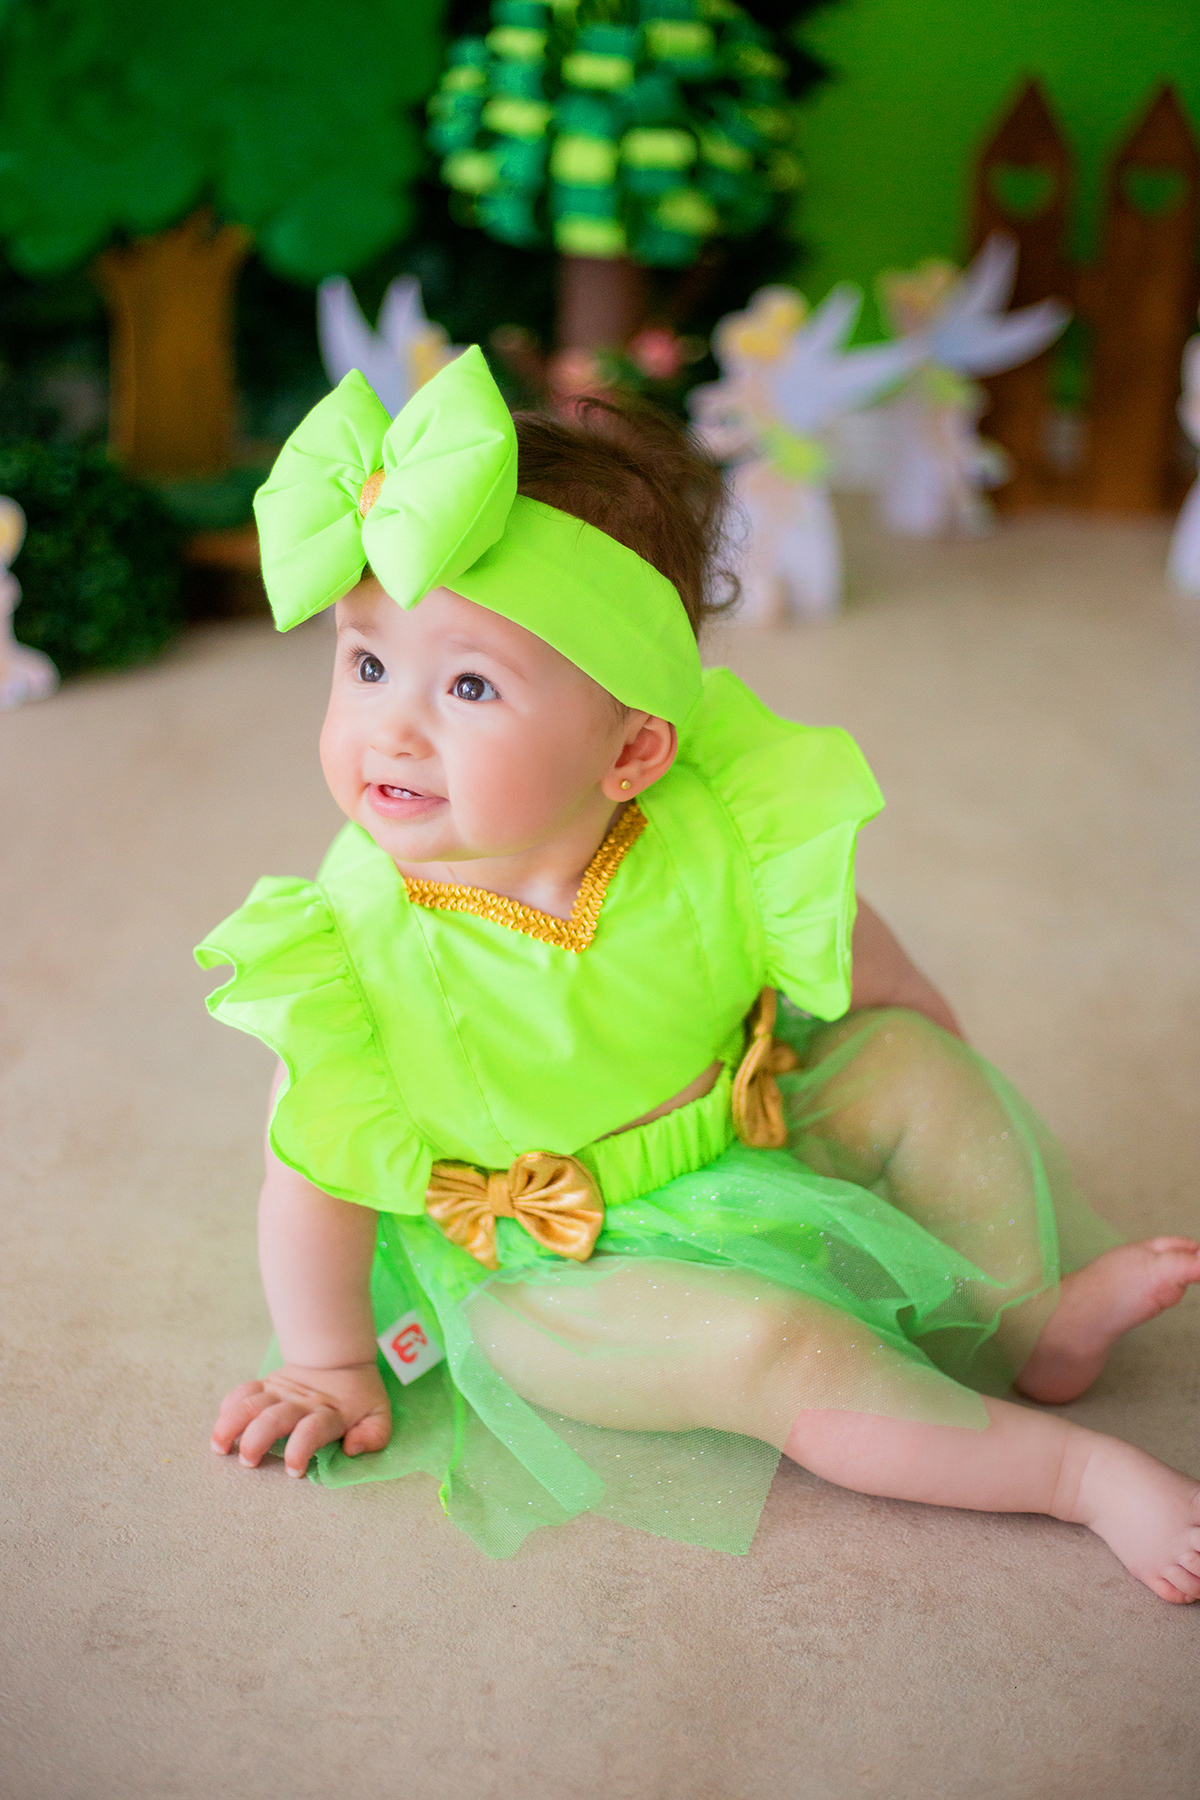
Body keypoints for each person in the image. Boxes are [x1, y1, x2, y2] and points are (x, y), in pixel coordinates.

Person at [200, 348, 1200, 1599]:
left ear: (633, 752)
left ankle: (1025, 1317)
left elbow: (880, 977)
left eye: (468, 683)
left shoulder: (717, 819)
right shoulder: (357, 941)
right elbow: (313, 1173)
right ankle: (1072, 1475)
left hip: (746, 1129)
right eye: (365, 664)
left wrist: (925, 1103)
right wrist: (330, 1362)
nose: (390, 726)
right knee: (770, 1343)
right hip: (547, 1266)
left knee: (909, 1059)